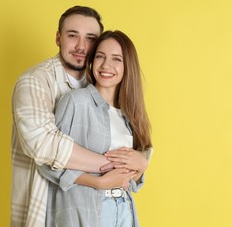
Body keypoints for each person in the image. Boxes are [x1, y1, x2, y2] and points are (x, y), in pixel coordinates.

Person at [11, 6, 137, 227]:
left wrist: (140, 162)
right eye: (72, 35)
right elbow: (44, 144)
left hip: (100, 210)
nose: (81, 46)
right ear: (58, 38)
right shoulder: (35, 81)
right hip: (46, 208)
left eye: (90, 38)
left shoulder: (102, 85)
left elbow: (131, 142)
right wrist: (113, 166)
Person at [38, 30, 153, 227]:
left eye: (116, 59)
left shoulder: (130, 114)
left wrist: (142, 166)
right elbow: (48, 162)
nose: (106, 65)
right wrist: (98, 183)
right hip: (87, 212)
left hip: (124, 210)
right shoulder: (76, 102)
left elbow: (129, 179)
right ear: (91, 61)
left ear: (128, 67)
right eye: (100, 56)